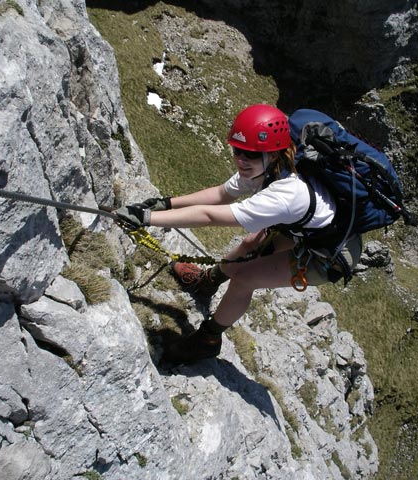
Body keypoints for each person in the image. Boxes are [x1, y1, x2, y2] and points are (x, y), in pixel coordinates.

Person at [117, 104, 362, 364]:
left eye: (251, 154)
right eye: (237, 150)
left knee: (245, 277)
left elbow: (210, 216)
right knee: (250, 242)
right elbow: (221, 194)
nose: (242, 160)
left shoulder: (287, 193)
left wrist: (147, 219)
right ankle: (207, 282)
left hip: (328, 254)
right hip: (311, 229)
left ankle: (207, 341)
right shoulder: (269, 166)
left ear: (273, 152)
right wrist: (166, 203)